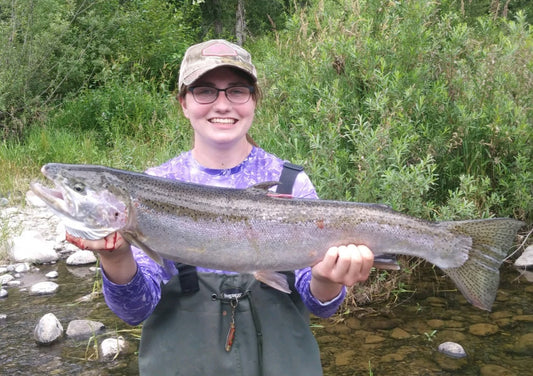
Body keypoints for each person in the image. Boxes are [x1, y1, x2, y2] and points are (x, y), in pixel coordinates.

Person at [67, 39, 375, 376]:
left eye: (237, 90)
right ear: (183, 102)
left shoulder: (291, 184)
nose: (222, 104)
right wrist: (115, 257)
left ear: (254, 100)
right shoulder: (155, 183)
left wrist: (328, 280)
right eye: (205, 91)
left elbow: (320, 304)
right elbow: (136, 310)